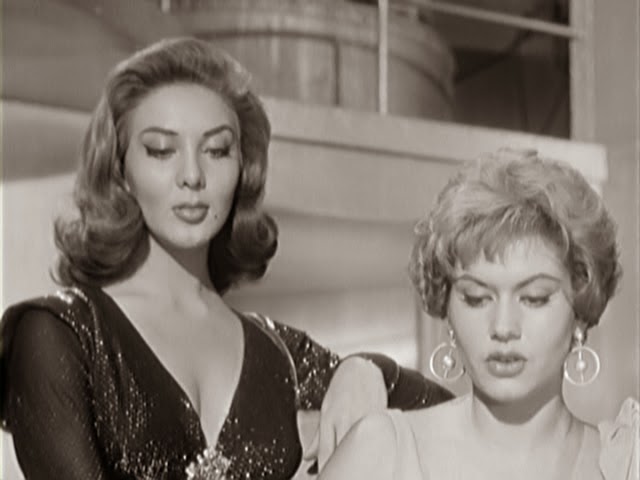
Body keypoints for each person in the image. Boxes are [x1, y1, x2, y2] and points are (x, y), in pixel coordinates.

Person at [0, 37, 453, 480]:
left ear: (243, 167)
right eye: (161, 150)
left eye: (216, 150)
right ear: (120, 170)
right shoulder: (61, 335)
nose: (192, 176)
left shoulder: (279, 353)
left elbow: (459, 421)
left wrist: (368, 370)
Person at [318, 149, 639, 480]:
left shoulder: (625, 462)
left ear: (581, 312)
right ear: (447, 307)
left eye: (534, 299)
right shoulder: (379, 455)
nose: (503, 327)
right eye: (477, 299)